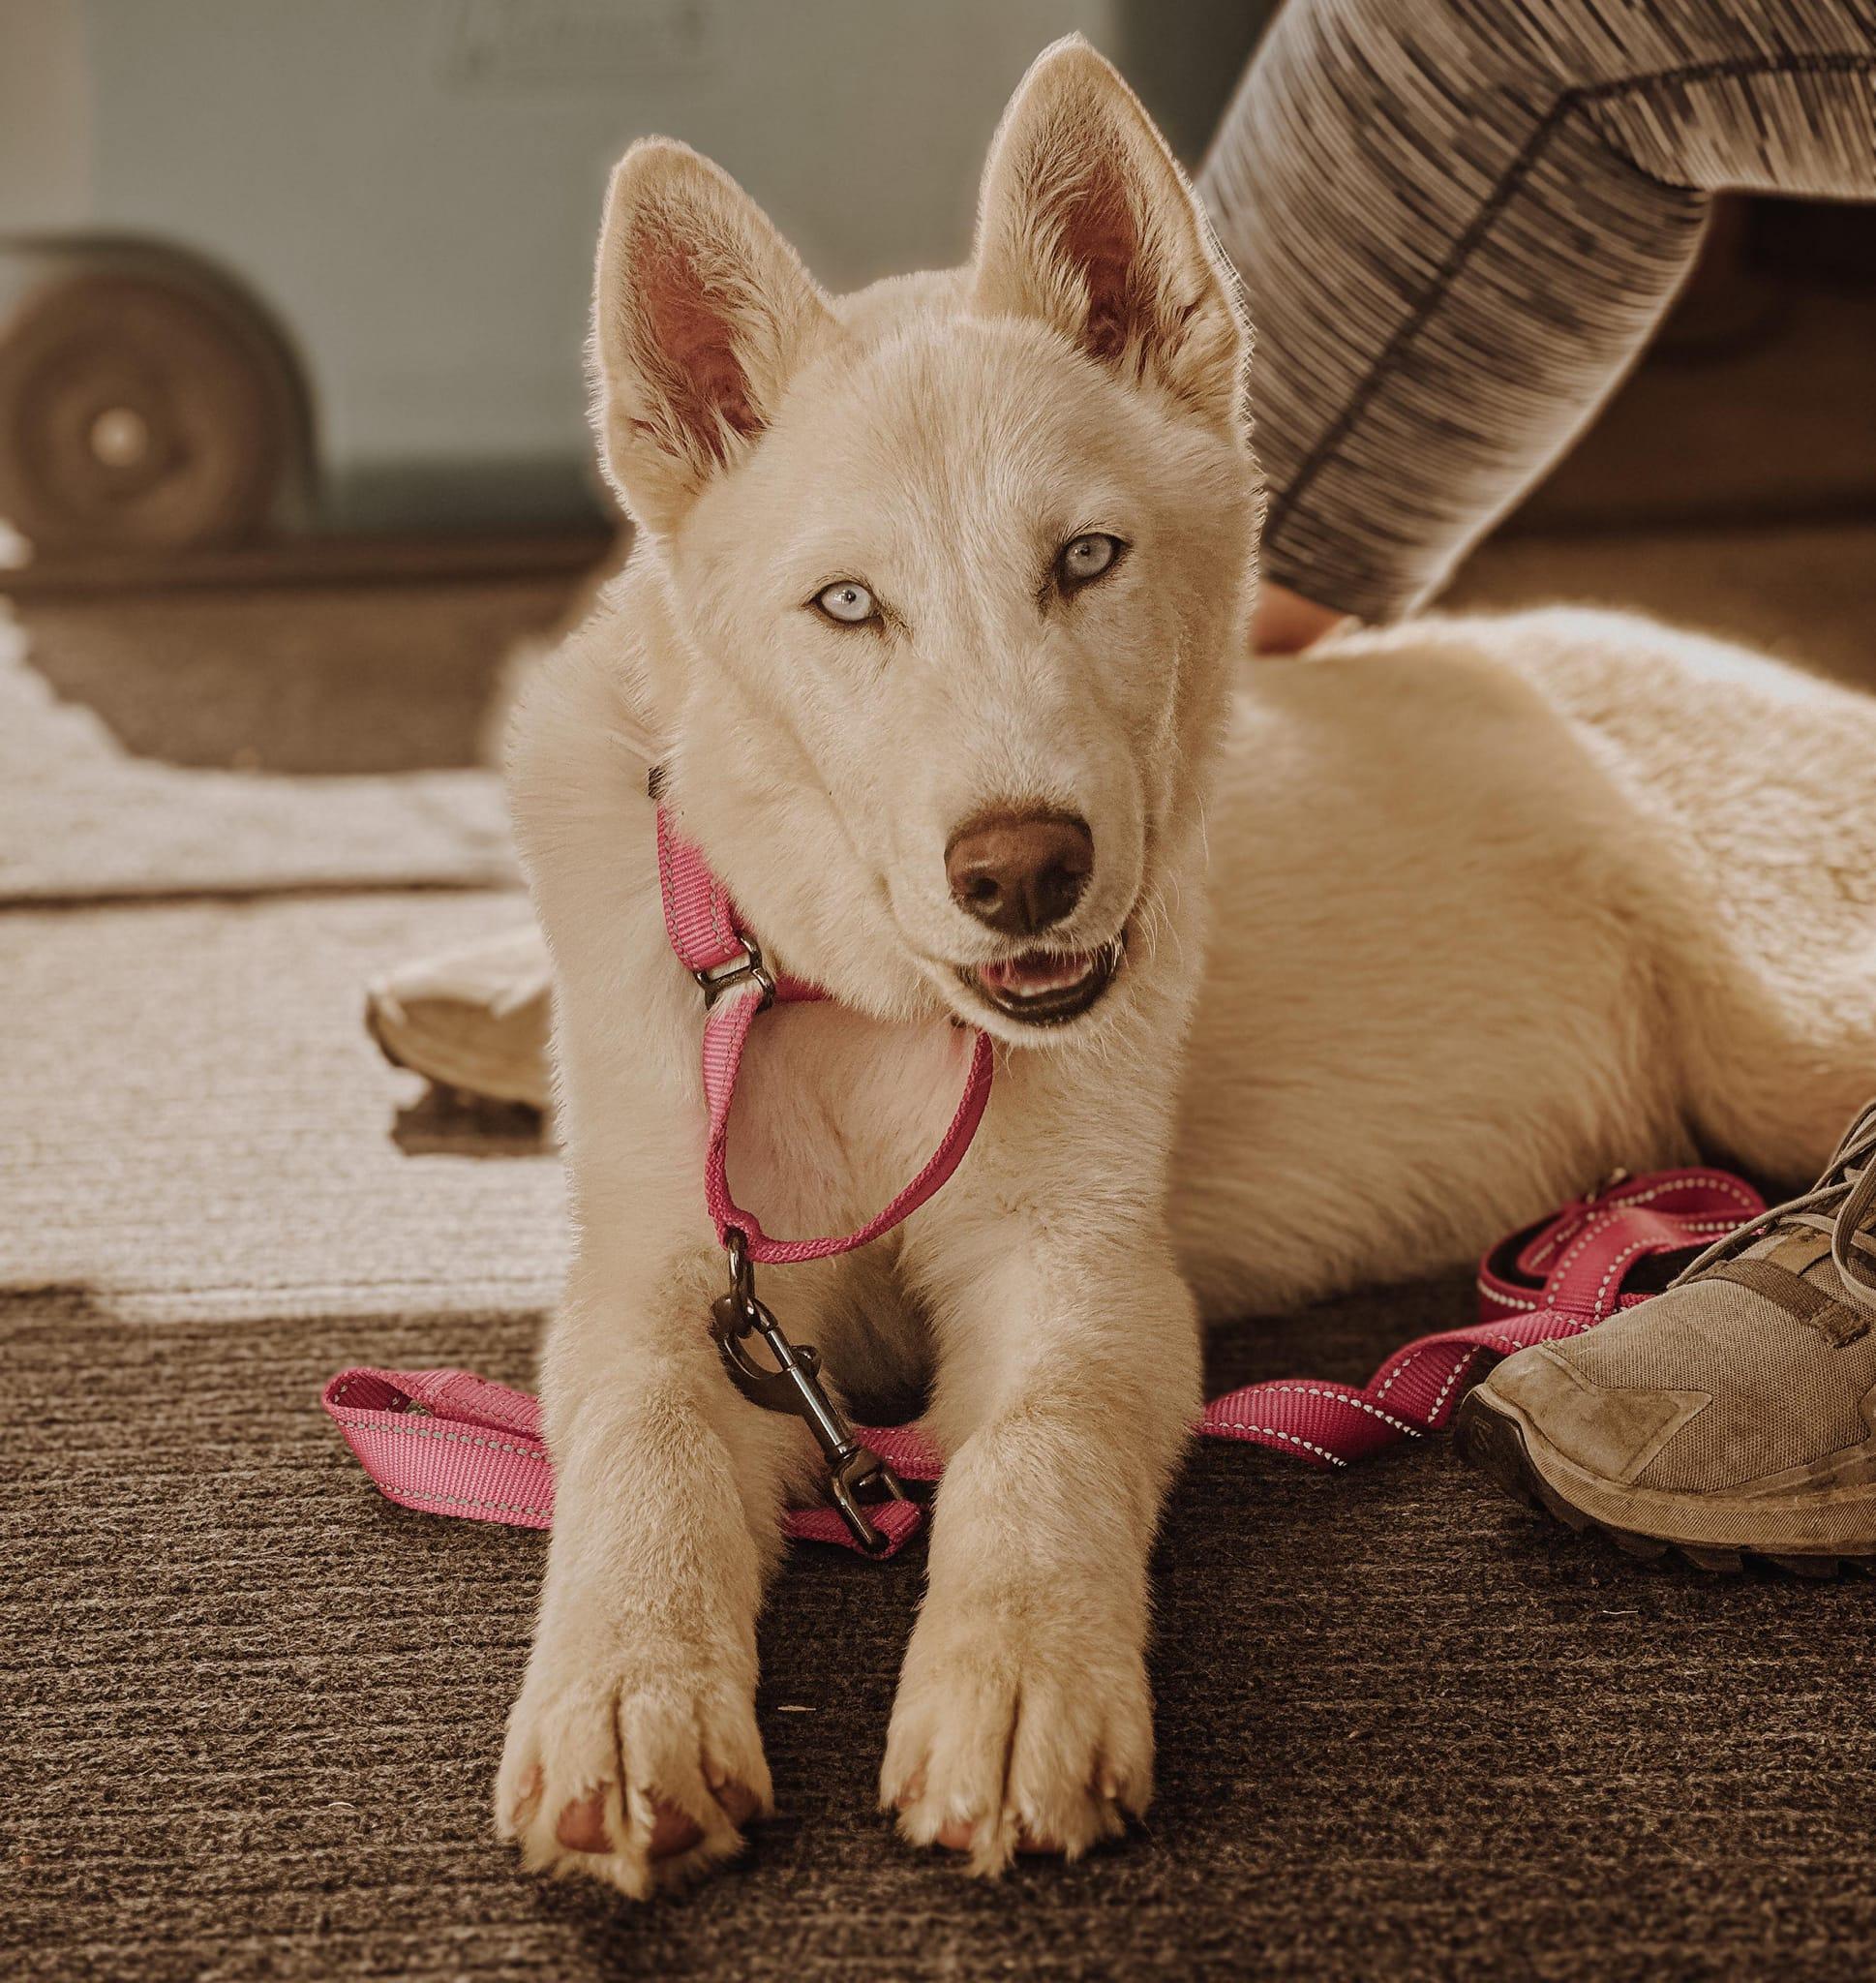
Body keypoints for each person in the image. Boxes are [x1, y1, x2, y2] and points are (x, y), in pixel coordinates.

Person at [367, 0, 1876, 1558]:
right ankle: (767, 942)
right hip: (1295, 735)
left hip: (1609, 797)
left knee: (1801, 1056)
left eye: (1084, 554)